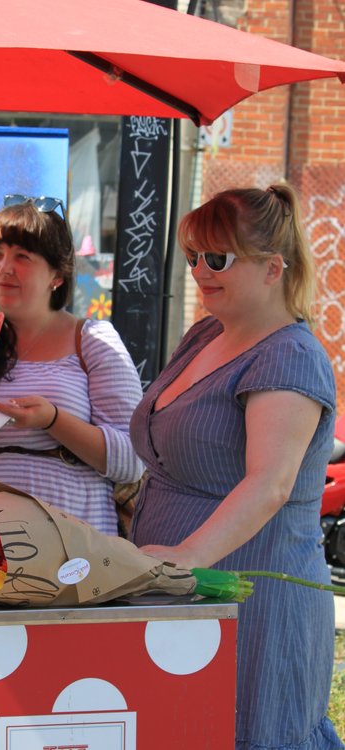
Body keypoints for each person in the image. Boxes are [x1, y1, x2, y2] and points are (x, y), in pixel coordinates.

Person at [129, 185, 341, 749]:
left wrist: (188, 554)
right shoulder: (207, 332)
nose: (200, 270)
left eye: (218, 259)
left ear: (272, 268)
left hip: (254, 599)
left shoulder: (290, 355)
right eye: (193, 255)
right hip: (186, 592)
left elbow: (270, 484)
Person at [0, 196, 144, 535]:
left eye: (22, 256)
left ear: (57, 275)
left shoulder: (94, 341)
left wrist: (52, 419)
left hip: (74, 545)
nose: (4, 267)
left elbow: (132, 462)